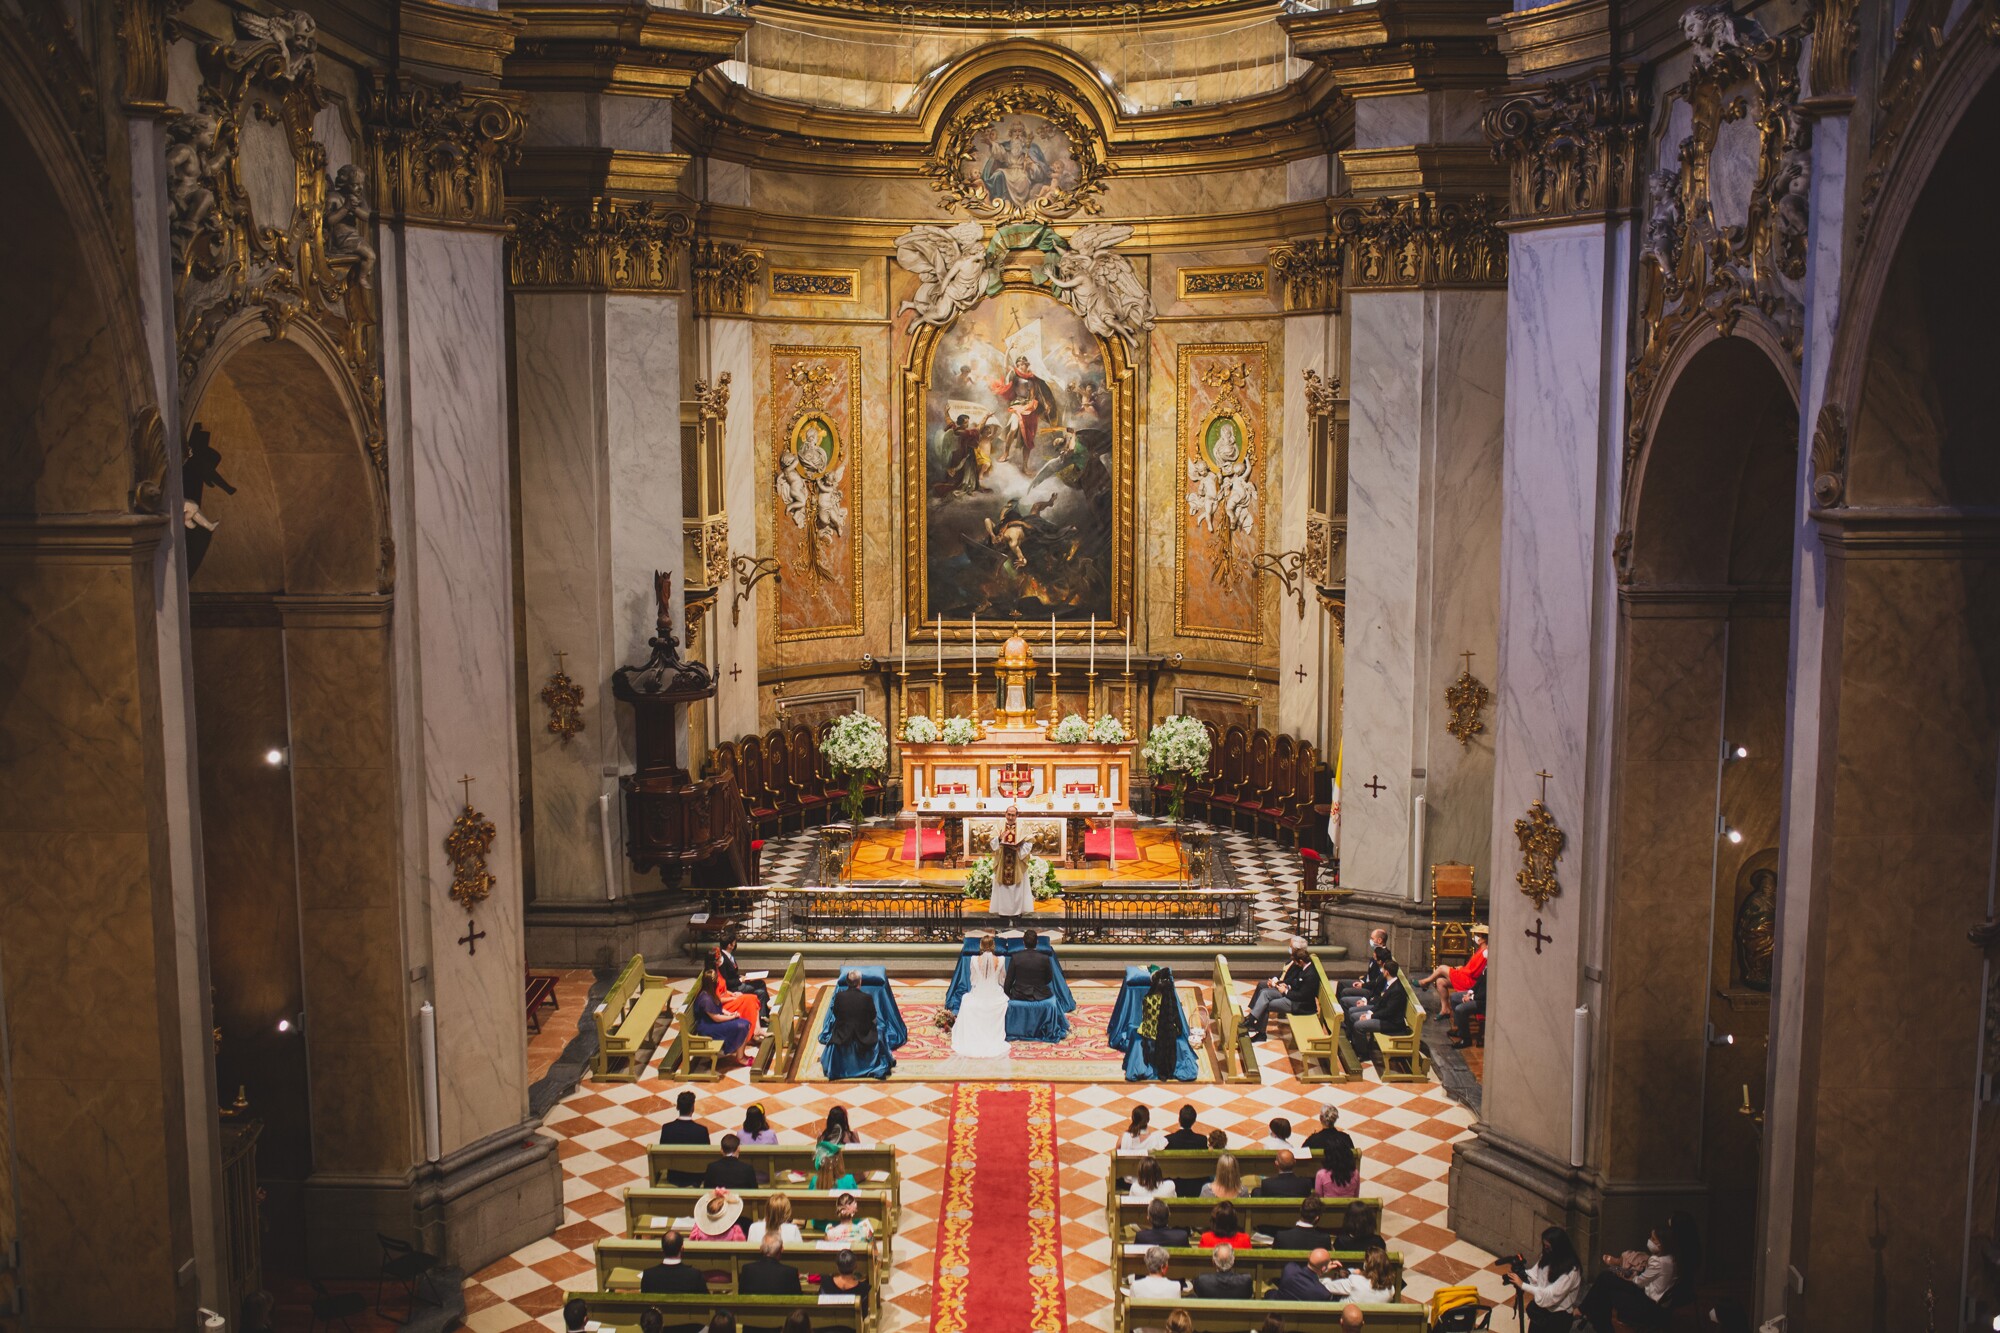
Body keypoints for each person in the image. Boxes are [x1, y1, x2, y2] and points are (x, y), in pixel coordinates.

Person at [1575, 1214, 1694, 1331]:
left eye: (1653, 1239)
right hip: (1654, 1299)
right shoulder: (1675, 1257)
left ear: (1661, 1243)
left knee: (1606, 1289)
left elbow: (1640, 1282)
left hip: (1648, 1303)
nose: (1650, 1241)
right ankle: (1587, 1312)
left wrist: (1630, 1278)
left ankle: (1591, 1316)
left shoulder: (1658, 1261)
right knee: (1606, 1277)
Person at [1503, 1226, 1582, 1332]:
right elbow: (1534, 1275)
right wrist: (1520, 1274)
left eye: (1548, 1247)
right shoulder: (1546, 1257)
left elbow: (1549, 1296)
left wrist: (1523, 1285)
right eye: (1544, 1246)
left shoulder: (1571, 1271)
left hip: (1557, 1318)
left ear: (1559, 1247)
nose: (1545, 1249)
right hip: (1541, 1313)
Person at [1129, 967, 1197, 1081]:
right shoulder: (1169, 1000)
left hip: (1149, 1033)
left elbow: (1145, 1018)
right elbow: (1176, 1020)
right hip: (1166, 1034)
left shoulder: (1147, 999)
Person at [1247, 937, 1322, 1039]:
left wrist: (1285, 990)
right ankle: (1252, 1019)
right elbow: (1295, 982)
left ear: (1300, 961)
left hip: (1299, 1005)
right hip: (1290, 994)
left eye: (1291, 946)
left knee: (1265, 1003)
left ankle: (1258, 1030)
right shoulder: (1303, 965)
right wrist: (1287, 985)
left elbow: (1302, 995)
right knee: (1264, 992)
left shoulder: (1310, 974)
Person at [953, 931, 1011, 1057]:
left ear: (981, 946)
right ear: (993, 946)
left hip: (978, 992)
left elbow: (973, 980)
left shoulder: (974, 960)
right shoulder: (1001, 960)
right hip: (995, 994)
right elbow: (1002, 980)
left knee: (966, 999)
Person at [828, 970, 894, 1079]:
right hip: (864, 1035)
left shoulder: (839, 996)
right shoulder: (866, 998)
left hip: (843, 1034)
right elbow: (873, 1016)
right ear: (860, 982)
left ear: (847, 982)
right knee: (880, 1029)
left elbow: (836, 1014)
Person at [1416, 925, 1489, 1014]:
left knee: (1442, 968)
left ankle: (1425, 982)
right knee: (1440, 981)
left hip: (1470, 982)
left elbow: (1474, 972)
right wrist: (1462, 968)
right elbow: (1470, 967)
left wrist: (1460, 970)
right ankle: (1445, 1009)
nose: (1477, 937)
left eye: (1479, 935)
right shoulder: (1480, 949)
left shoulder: (1485, 952)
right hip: (1466, 976)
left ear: (1484, 939)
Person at [1346, 958, 1408, 1060]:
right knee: (1353, 1016)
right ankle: (1356, 1045)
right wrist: (1370, 1012)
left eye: (1383, 970)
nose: (1382, 971)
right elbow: (1381, 1002)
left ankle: (1364, 1054)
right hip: (1382, 1015)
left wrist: (1370, 1016)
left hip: (1390, 1023)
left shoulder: (1397, 990)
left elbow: (1388, 1012)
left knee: (1358, 1025)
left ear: (1387, 972)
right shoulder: (1390, 984)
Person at [694, 971, 753, 1064]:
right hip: (709, 1027)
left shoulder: (710, 993)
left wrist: (729, 1014)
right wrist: (732, 1017)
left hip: (713, 1023)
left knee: (745, 1023)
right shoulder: (705, 999)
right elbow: (716, 1018)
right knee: (743, 1025)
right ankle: (740, 1058)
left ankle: (741, 1055)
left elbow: (719, 1008)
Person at [711, 932, 767, 1028]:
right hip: (734, 988)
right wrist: (741, 980)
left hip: (737, 982)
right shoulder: (722, 960)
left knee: (761, 992)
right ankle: (764, 1016)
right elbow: (726, 982)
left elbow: (732, 974)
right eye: (734, 942)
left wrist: (741, 977)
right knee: (761, 984)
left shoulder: (728, 955)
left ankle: (762, 1017)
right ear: (730, 945)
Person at [641, 1229, 709, 1294]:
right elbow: (706, 1302)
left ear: (662, 1249)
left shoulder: (648, 1275)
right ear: (682, 1248)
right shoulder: (695, 1275)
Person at [1341, 945, 1394, 1016]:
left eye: (1375, 957)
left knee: (1351, 1010)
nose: (1373, 958)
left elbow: (1381, 999)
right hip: (1371, 998)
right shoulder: (1382, 975)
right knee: (1344, 998)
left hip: (1375, 1005)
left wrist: (1366, 1004)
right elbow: (1374, 990)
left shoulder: (1387, 981)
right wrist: (1364, 999)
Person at [1338, 930, 1390, 1003]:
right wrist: (1362, 980)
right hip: (1365, 982)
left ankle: (1342, 1011)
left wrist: (1363, 985)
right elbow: (1370, 972)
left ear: (1379, 940)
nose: (1370, 940)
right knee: (1341, 983)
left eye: (1372, 938)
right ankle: (1336, 1009)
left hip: (1370, 989)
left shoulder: (1384, 956)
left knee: (1345, 992)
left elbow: (1377, 981)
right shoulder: (1376, 952)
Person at [1003, 928, 1056, 1000]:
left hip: (1019, 994)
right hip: (1040, 994)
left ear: (1023, 942)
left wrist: (1008, 995)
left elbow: (1009, 980)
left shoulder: (1015, 957)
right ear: (1037, 942)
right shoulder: (1044, 958)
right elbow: (1049, 978)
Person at [1327, 1248, 1396, 1303]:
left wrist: (1324, 1271)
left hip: (1346, 1316)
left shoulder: (1355, 1281)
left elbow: (1326, 1286)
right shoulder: (1391, 1289)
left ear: (1367, 1265)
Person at [1272, 1248, 1341, 1301]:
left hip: (1276, 1313)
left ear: (1309, 1256)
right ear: (1323, 1269)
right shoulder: (1323, 1293)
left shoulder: (1289, 1268)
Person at [1449, 966, 1488, 1049]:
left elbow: (1487, 993)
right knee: (1454, 997)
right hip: (1477, 996)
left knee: (1460, 1009)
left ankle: (1466, 1039)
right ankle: (1460, 1030)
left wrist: (1471, 998)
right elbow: (1480, 981)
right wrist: (1470, 992)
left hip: (1483, 1002)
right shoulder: (1488, 965)